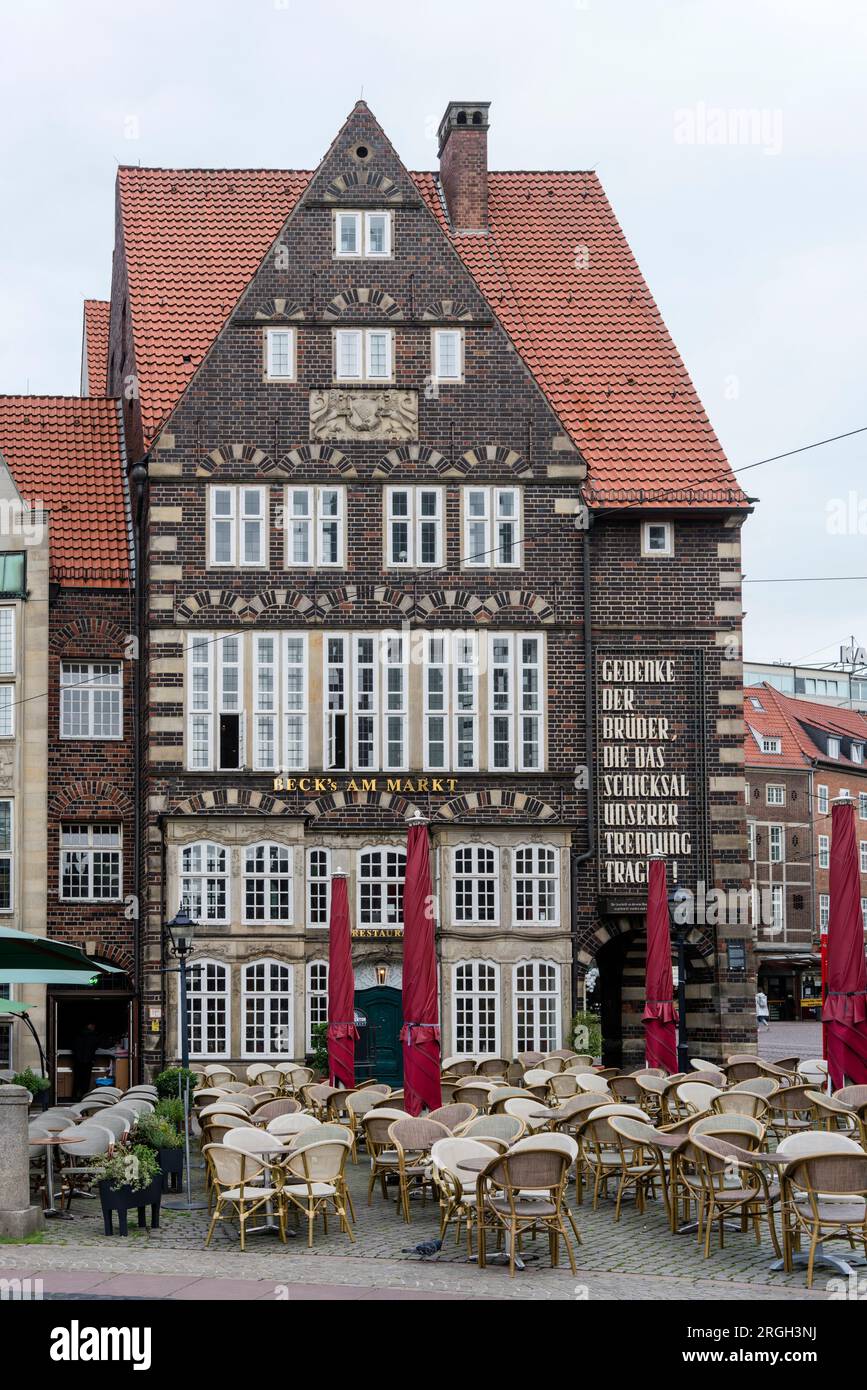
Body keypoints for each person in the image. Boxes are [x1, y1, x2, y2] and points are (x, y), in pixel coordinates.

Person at [71, 1020, 100, 1098]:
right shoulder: (93, 1036)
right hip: (88, 1061)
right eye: (93, 1026)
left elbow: (73, 1047)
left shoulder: (77, 1035)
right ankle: (84, 1097)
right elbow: (96, 1047)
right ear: (89, 1026)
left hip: (77, 1061)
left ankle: (74, 1097)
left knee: (77, 1080)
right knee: (86, 1080)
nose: (94, 1027)